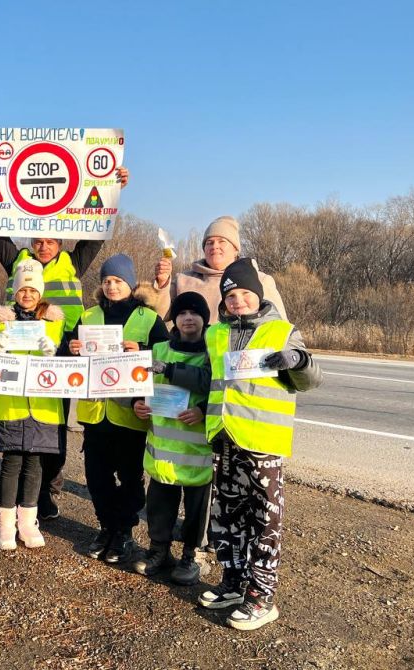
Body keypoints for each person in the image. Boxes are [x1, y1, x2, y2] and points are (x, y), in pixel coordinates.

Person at [0, 165, 130, 521]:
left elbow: (97, 232)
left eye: (50, 241)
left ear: (60, 243)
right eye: (38, 240)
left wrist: (112, 190)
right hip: (21, 353)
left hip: (61, 351)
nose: (43, 246)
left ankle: (46, 494)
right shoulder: (18, 261)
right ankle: (18, 500)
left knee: (54, 428)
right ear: (31, 242)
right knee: (19, 427)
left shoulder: (73, 262)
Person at [167, 258, 321, 630]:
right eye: (231, 295)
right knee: (228, 516)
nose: (237, 300)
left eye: (244, 294)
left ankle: (262, 597)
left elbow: (310, 378)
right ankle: (234, 582)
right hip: (226, 440)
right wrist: (167, 370)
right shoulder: (217, 334)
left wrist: (295, 360)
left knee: (265, 519)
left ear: (258, 295)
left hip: (262, 443)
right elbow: (208, 379)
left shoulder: (281, 331)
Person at [66, 254, 168, 564]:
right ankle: (105, 526)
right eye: (107, 281)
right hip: (96, 412)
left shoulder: (148, 318)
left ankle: (123, 530)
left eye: (118, 281)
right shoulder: (89, 316)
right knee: (97, 477)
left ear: (130, 283)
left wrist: (144, 351)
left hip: (130, 414)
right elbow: (68, 360)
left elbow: (164, 361)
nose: (112, 286)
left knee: (129, 477)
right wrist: (72, 349)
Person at [130, 291, 212, 584]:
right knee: (160, 505)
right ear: (174, 319)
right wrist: (136, 404)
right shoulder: (159, 349)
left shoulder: (212, 351)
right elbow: (139, 383)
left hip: (198, 451)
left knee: (196, 509)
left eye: (194, 313)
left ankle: (192, 555)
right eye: (181, 313)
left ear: (204, 319)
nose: (188, 318)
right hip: (162, 448)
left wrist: (202, 410)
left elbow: (220, 390)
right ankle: (159, 550)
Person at [0, 260, 66, 551]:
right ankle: (5, 524)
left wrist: (53, 352)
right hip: (12, 404)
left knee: (34, 465)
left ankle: (27, 521)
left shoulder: (55, 321)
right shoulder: (1, 319)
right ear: (15, 292)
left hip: (43, 404)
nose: (28, 294)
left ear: (40, 292)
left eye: (33, 289)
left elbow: (66, 358)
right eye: (23, 289)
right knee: (11, 464)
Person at [152, 215, 287, 324]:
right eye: (209, 243)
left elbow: (280, 324)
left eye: (222, 241)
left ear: (235, 249)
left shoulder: (260, 280)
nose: (214, 246)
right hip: (190, 356)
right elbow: (160, 316)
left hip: (240, 355)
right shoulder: (183, 280)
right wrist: (163, 283)